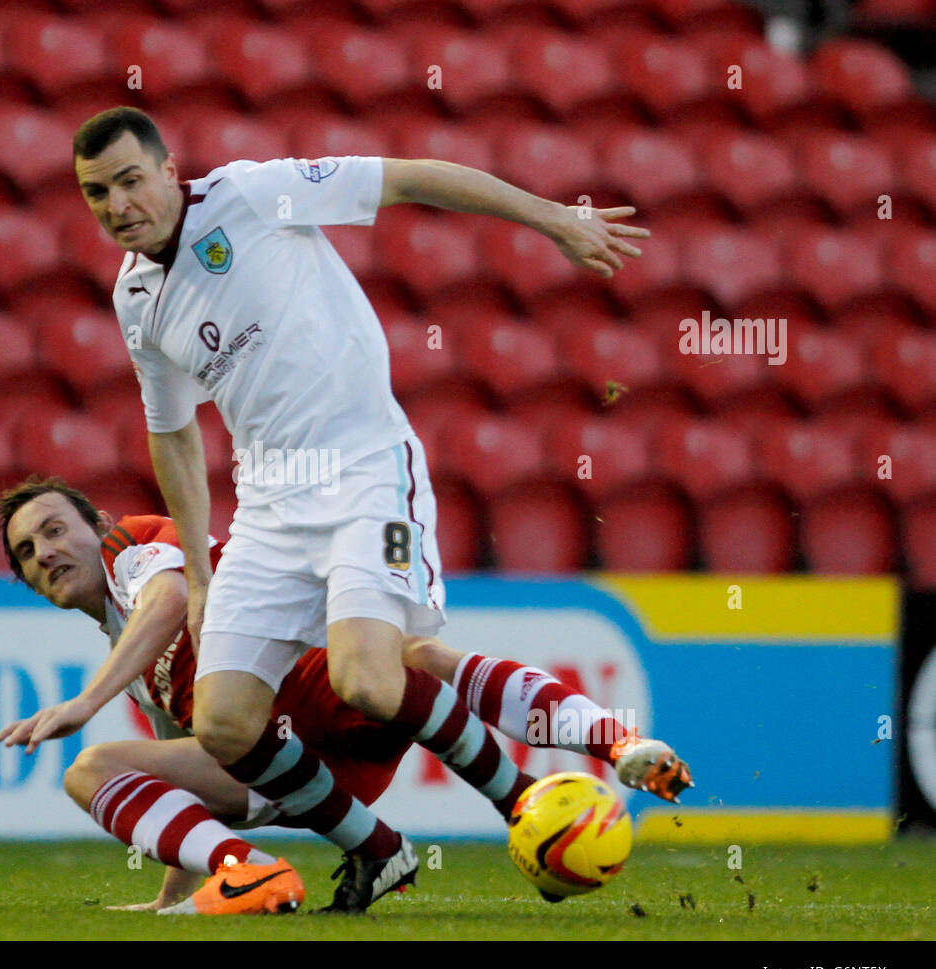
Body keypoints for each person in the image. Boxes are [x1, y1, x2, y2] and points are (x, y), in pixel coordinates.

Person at [72, 106, 681, 911]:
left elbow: (411, 178)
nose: (118, 205)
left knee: (373, 674)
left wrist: (550, 219)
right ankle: (378, 850)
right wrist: (204, 572)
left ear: (165, 167)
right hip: (267, 509)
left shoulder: (254, 195)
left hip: (365, 475)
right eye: (96, 192)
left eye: (129, 180)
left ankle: (554, 780)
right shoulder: (136, 300)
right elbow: (173, 435)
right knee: (221, 723)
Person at [0, 477, 693, 913]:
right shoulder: (131, 648)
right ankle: (253, 874)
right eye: (27, 552)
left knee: (410, 654)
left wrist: (84, 703)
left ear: (97, 525)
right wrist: (169, 894)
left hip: (322, 687)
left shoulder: (135, 547)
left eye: (55, 530)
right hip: (299, 765)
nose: (46, 551)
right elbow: (178, 758)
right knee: (92, 770)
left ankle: (613, 743)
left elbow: (173, 597)